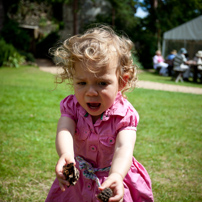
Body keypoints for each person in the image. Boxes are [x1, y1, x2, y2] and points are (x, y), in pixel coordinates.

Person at [45, 26, 154, 202]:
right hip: (78, 181)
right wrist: (66, 154)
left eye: (102, 83)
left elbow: (123, 147)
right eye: (81, 82)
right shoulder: (72, 106)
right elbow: (64, 129)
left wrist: (117, 174)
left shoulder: (124, 114)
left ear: (121, 81)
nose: (91, 92)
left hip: (112, 179)